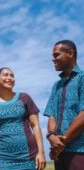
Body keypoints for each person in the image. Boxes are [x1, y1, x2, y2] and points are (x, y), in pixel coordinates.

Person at [0, 67, 46, 170]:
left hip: (29, 157)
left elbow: (35, 125)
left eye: (12, 75)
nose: (10, 77)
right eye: (6, 75)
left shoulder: (25, 98)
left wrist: (41, 152)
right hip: (3, 159)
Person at [44, 40, 84, 170]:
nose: (53, 59)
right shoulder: (56, 85)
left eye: (56, 55)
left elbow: (83, 116)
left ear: (70, 53)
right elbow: (51, 116)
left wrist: (61, 143)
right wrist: (51, 136)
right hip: (59, 153)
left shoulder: (82, 78)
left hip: (79, 150)